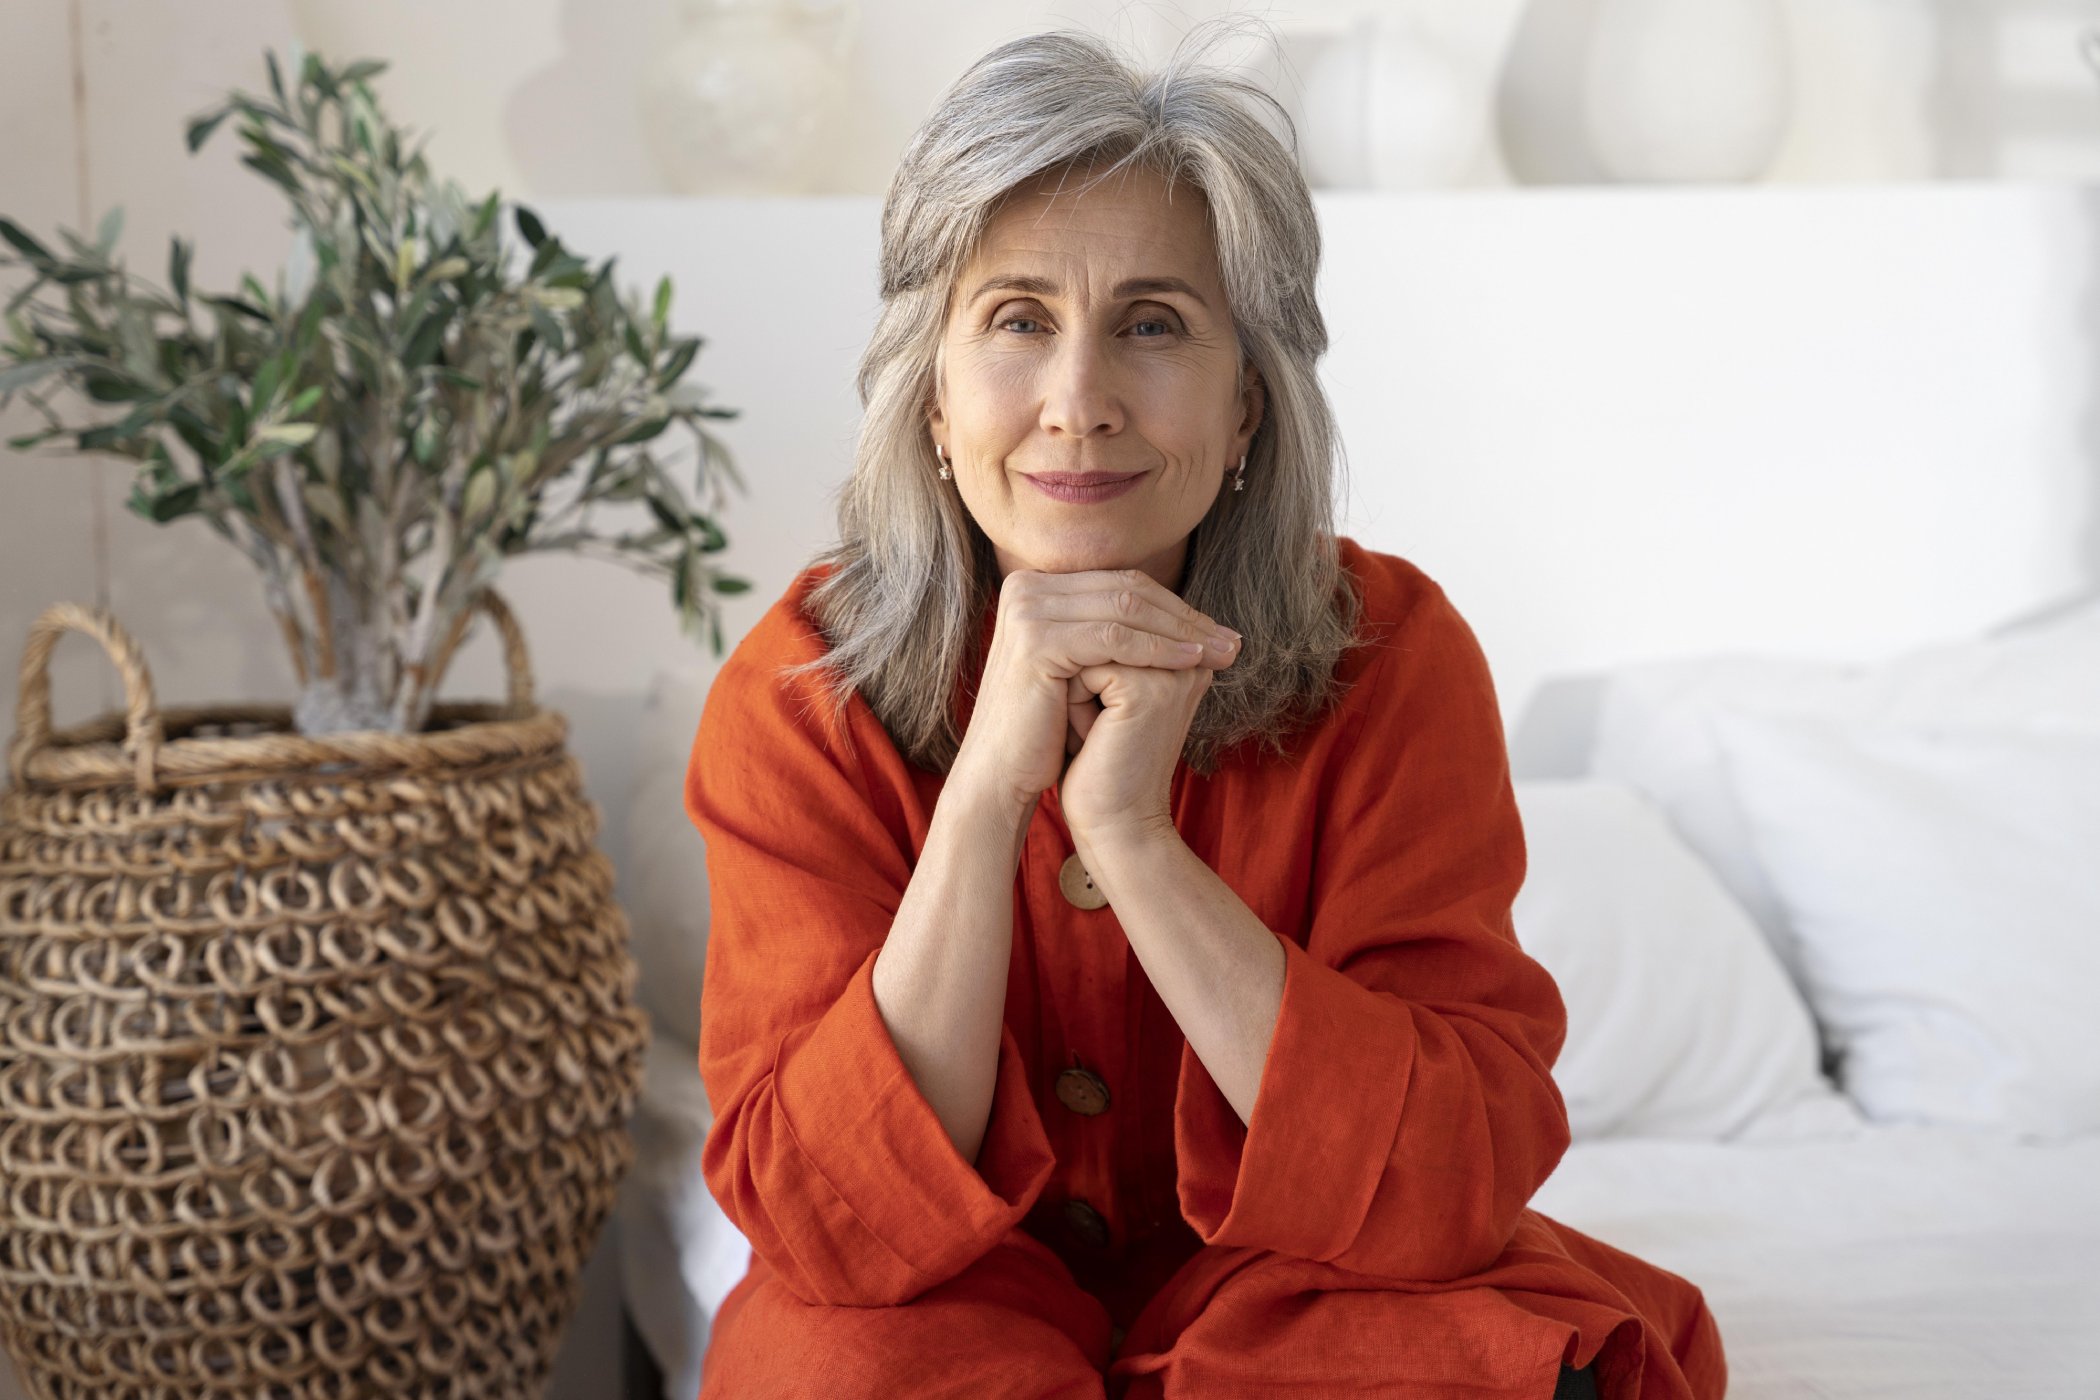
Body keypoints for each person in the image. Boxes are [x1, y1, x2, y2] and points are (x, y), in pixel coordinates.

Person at [682, 20, 1726, 1399]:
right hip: (936, 1303)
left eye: (1154, 325)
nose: (1079, 403)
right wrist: (991, 793)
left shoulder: (1394, 656)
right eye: (1016, 321)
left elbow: (1450, 1179)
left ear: (1248, 409)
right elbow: (824, 1214)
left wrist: (1129, 834)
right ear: (934, 398)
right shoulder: (801, 689)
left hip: (1308, 1289)